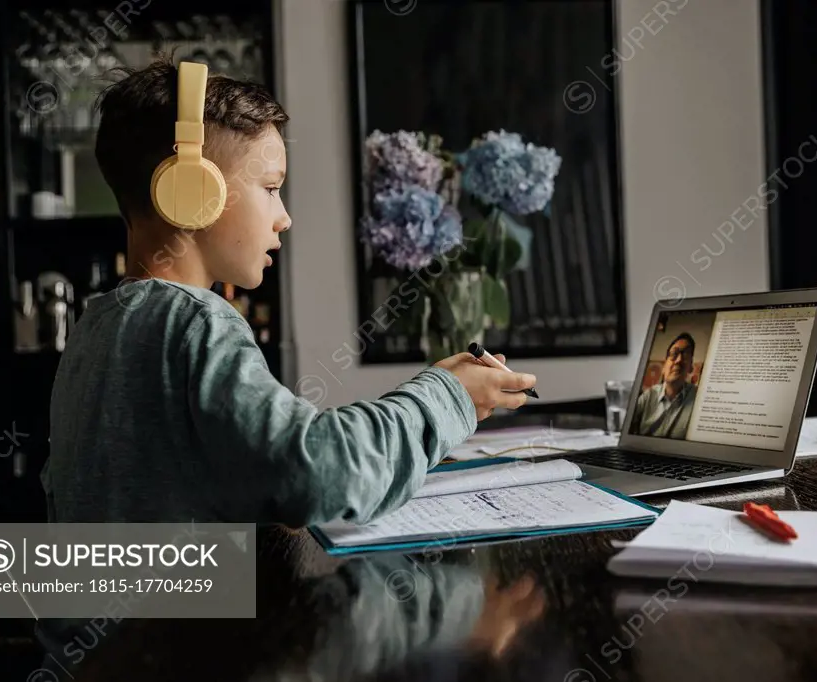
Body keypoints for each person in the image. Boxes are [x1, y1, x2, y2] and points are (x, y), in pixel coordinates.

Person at [41, 57, 536, 528]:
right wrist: (445, 397)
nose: (285, 217)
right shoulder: (194, 321)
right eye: (271, 188)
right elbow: (320, 472)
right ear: (191, 189)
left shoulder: (96, 326)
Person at [630, 332, 697, 439]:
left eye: (685, 354)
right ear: (664, 366)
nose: (679, 360)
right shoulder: (648, 396)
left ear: (690, 367)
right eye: (674, 354)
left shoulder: (698, 399)